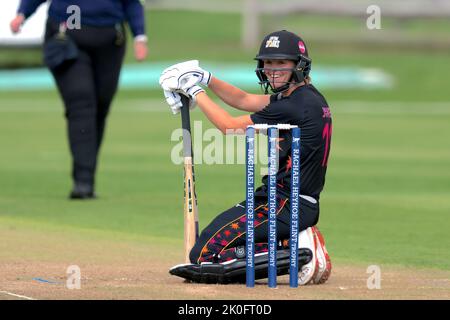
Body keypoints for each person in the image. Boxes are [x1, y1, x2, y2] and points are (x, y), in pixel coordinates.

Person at [160, 30, 332, 285]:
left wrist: (194, 91)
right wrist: (206, 78)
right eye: (268, 62)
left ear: (299, 65)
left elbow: (227, 125)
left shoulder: (295, 105)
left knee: (205, 255)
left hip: (285, 205)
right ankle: (289, 241)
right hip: (280, 200)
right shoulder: (303, 96)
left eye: (281, 63)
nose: (272, 69)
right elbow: (245, 99)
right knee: (206, 249)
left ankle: (300, 251)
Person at [10, 0, 148, 199]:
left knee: (100, 106)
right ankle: (83, 182)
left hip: (110, 42)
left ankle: (86, 176)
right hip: (66, 38)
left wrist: (140, 36)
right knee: (82, 103)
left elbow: (132, 3)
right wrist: (22, 14)